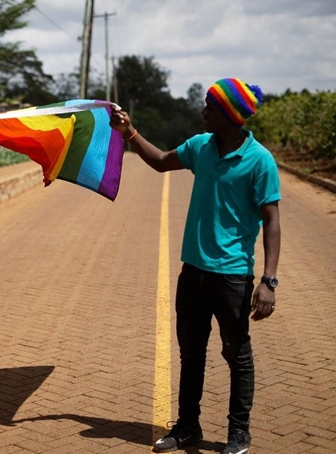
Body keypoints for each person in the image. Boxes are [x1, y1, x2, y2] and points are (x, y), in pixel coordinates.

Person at [110, 78, 281, 454]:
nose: (203, 111)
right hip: (193, 272)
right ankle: (188, 426)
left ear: (230, 115)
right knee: (191, 352)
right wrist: (129, 132)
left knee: (237, 355)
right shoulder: (199, 147)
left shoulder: (260, 160)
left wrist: (268, 280)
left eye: (210, 106)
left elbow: (272, 220)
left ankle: (239, 433)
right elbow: (158, 162)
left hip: (234, 275)